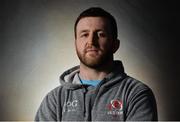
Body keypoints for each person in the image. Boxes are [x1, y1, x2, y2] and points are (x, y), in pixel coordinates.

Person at [35, 7, 158, 121]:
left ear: (115, 44)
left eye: (100, 34)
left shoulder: (136, 94)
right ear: (76, 44)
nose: (91, 42)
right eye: (84, 34)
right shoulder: (54, 100)